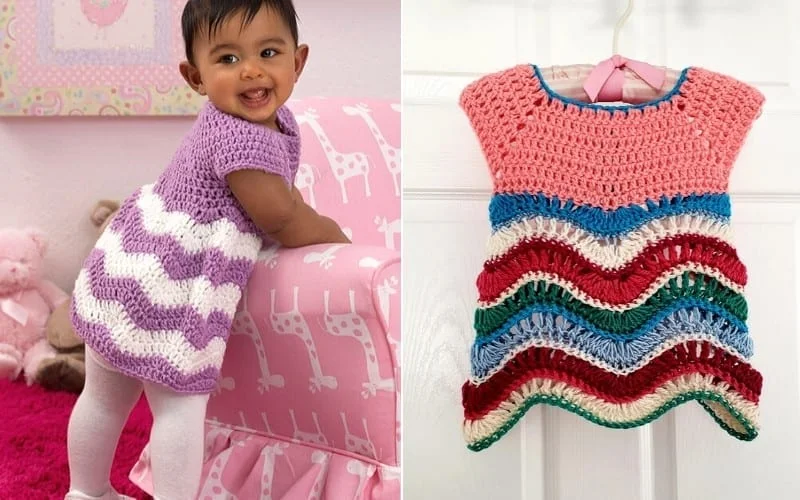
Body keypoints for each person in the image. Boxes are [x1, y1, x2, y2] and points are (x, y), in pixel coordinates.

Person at [65, 1, 349, 498]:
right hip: (172, 284)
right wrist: (332, 234)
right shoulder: (240, 138)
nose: (252, 71)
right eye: (228, 60)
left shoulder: (270, 123)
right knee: (180, 405)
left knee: (105, 396)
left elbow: (279, 193)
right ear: (195, 77)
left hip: (133, 256)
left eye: (267, 52)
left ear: (297, 62)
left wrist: (292, 201)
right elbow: (280, 217)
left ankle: (85, 493)